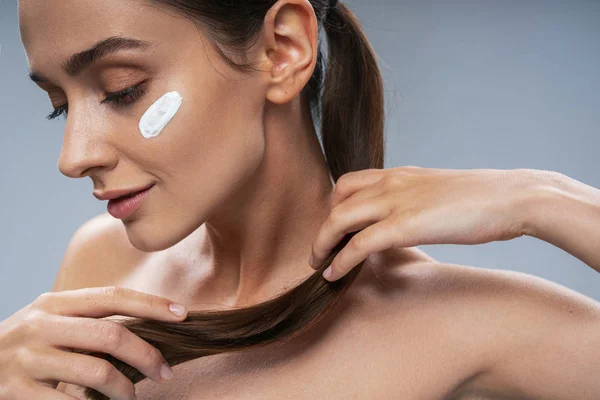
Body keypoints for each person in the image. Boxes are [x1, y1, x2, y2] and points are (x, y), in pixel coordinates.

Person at [1, 0, 598, 399]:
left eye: (122, 89)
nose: (73, 156)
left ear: (282, 50)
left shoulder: (461, 325)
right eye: (59, 103)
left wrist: (542, 198)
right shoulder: (99, 273)